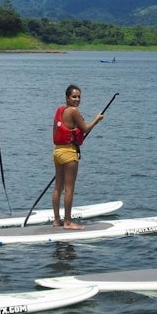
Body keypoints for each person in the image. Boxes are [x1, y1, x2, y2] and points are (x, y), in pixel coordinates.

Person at [52, 84, 104, 230]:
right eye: (74, 96)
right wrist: (97, 119)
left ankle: (57, 219)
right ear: (67, 97)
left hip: (57, 152)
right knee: (69, 188)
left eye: (79, 96)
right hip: (68, 153)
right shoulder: (74, 111)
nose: (77, 99)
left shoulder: (60, 110)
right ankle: (68, 222)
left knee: (58, 187)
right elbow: (85, 128)